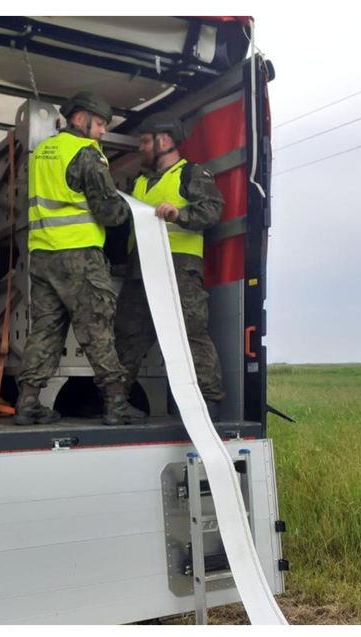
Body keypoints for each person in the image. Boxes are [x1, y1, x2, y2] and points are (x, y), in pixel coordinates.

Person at [14, 91, 148, 426]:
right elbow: (108, 211)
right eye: (100, 123)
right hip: (79, 255)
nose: (103, 131)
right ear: (79, 118)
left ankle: (28, 402)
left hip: (43, 254)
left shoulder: (41, 152)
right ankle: (116, 403)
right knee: (98, 327)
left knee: (44, 330)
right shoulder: (86, 154)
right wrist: (128, 208)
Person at [114, 112, 226, 418]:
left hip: (179, 269)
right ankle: (116, 401)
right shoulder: (140, 182)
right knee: (127, 334)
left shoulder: (191, 174)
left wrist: (179, 214)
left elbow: (213, 210)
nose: (140, 148)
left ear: (164, 141)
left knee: (190, 333)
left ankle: (208, 404)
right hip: (140, 271)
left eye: (145, 141)